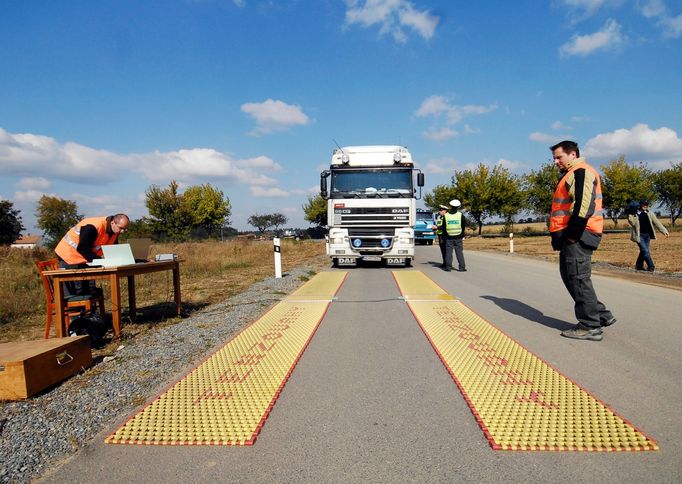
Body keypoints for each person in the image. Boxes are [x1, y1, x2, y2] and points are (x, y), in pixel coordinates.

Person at [549, 141, 615, 341]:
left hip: (579, 235)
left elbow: (583, 207)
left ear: (572, 154)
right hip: (575, 235)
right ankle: (601, 315)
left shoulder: (581, 172)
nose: (556, 162)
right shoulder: (572, 174)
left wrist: (571, 235)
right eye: (554, 158)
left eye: (559, 157)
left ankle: (590, 326)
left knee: (577, 278)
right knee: (571, 277)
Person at [54, 214, 130, 296]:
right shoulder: (92, 227)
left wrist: (130, 259)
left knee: (90, 290)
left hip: (84, 259)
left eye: (125, 229)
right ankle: (74, 309)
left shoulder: (114, 231)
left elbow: (114, 251)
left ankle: (88, 308)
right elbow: (83, 248)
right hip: (68, 256)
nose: (122, 231)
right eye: (121, 228)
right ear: (112, 223)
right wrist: (101, 262)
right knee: (74, 292)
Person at [628, 199, 669, 272]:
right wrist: (632, 214)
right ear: (640, 205)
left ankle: (639, 266)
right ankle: (651, 266)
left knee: (643, 251)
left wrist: (664, 231)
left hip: (647, 236)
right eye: (644, 204)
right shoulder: (634, 214)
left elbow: (657, 222)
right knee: (645, 251)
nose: (645, 206)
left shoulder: (650, 213)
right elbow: (632, 223)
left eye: (646, 205)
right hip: (639, 235)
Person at [437, 199, 467, 272]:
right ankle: (462, 267)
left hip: (448, 237)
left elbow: (444, 227)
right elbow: (463, 225)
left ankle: (448, 267)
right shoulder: (460, 215)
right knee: (459, 252)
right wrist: (462, 234)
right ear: (458, 207)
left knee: (448, 252)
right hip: (458, 236)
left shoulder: (446, 216)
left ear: (450, 206)